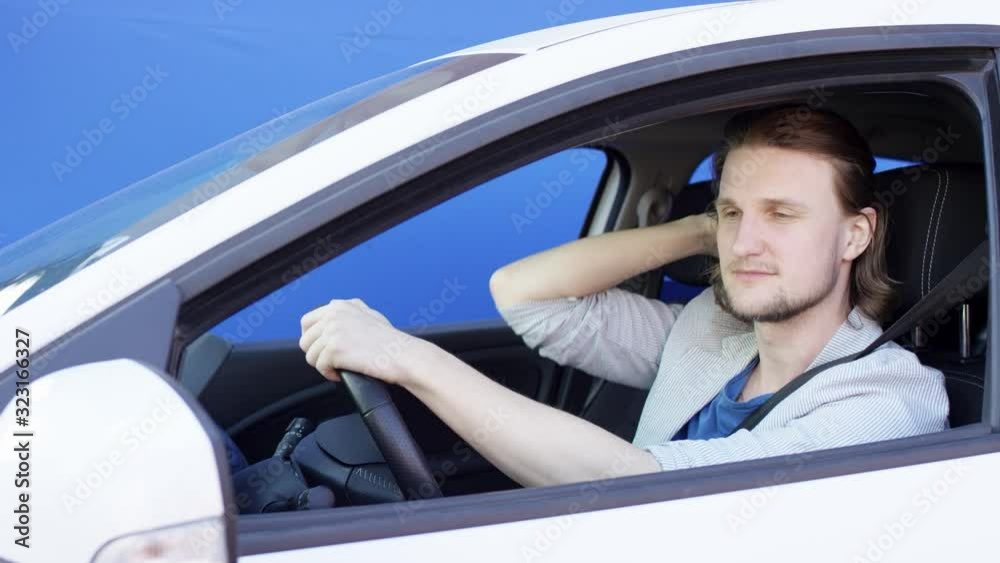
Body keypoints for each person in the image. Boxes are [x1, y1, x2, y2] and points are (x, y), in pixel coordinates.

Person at [297, 105, 948, 488]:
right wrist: (699, 228)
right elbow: (523, 295)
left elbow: (642, 483)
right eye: (731, 212)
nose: (746, 241)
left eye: (782, 214)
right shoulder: (709, 328)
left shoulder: (888, 403)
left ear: (854, 234)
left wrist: (408, 357)